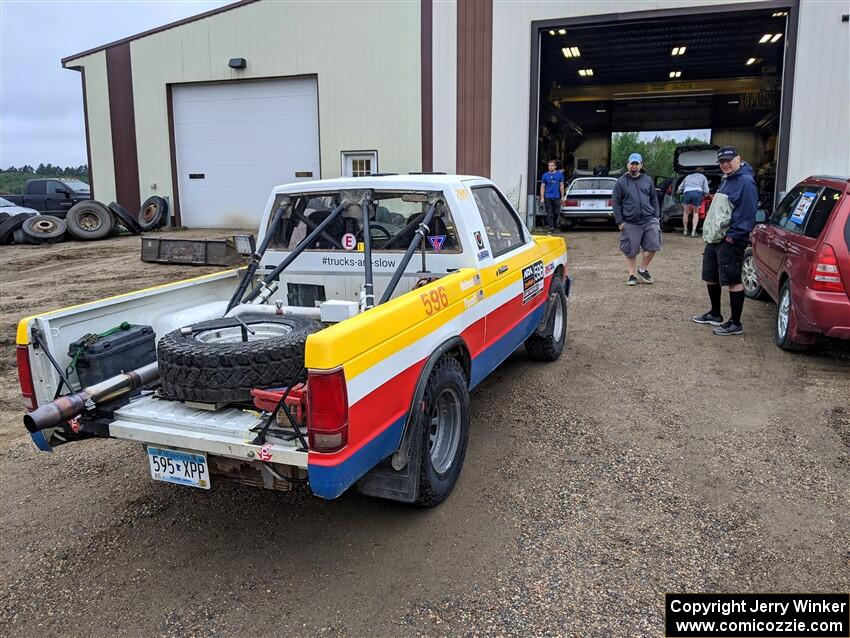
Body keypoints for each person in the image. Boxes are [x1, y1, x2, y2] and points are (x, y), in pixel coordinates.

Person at [692, 146, 758, 336]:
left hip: (730, 240)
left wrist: (731, 237)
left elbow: (746, 214)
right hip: (715, 239)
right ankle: (715, 313)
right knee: (711, 276)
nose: (725, 164)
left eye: (729, 160)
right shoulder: (727, 180)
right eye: (722, 162)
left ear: (739, 159)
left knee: (732, 280)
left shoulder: (745, 182)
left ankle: (735, 323)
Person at [612, 152, 662, 286]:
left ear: (641, 165)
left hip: (649, 219)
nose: (634, 166)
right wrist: (620, 221)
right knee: (630, 250)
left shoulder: (647, 180)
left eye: (637, 163)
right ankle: (632, 275)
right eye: (632, 163)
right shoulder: (621, 182)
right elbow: (616, 203)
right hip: (630, 222)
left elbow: (654, 199)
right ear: (627, 165)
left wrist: (656, 217)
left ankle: (643, 269)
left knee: (653, 246)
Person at [677, 167, 710, 237]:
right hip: (697, 193)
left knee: (686, 213)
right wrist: (706, 195)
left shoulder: (688, 176)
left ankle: (685, 231)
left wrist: (678, 192)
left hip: (687, 193)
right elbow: (706, 190)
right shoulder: (703, 177)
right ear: (702, 173)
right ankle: (693, 232)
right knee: (696, 213)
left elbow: (680, 188)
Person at [539, 159, 565, 232]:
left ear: (555, 166)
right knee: (549, 212)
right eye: (549, 166)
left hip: (556, 196)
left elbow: (561, 186)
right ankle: (551, 227)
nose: (550, 167)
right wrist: (542, 197)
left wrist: (562, 197)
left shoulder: (560, 175)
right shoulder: (545, 175)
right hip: (548, 197)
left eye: (552, 165)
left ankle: (554, 224)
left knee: (556, 212)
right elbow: (542, 187)